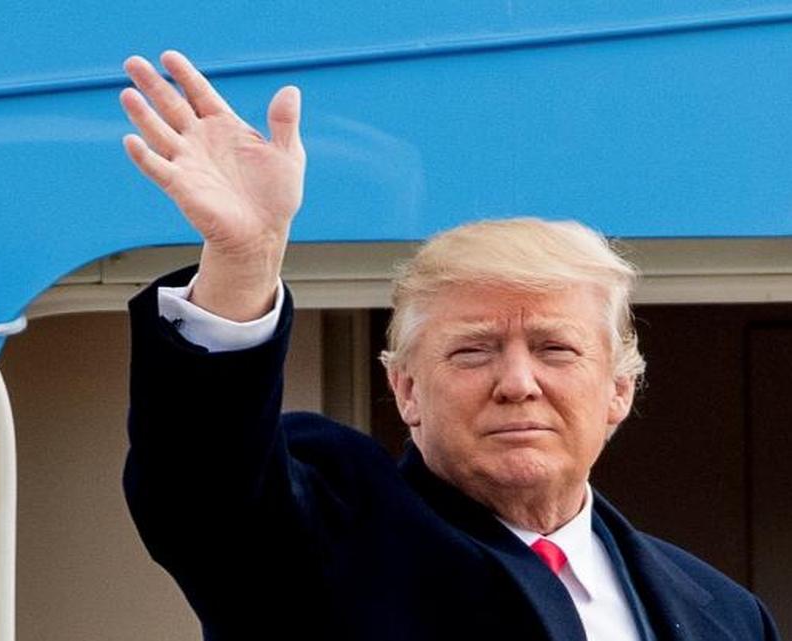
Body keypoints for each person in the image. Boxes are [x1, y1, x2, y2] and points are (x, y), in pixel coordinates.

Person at [118, 50, 780, 641]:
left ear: (618, 389)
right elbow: (205, 493)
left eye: (556, 349)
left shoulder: (726, 612)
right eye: (473, 351)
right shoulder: (333, 530)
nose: (517, 381)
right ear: (406, 388)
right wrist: (245, 262)